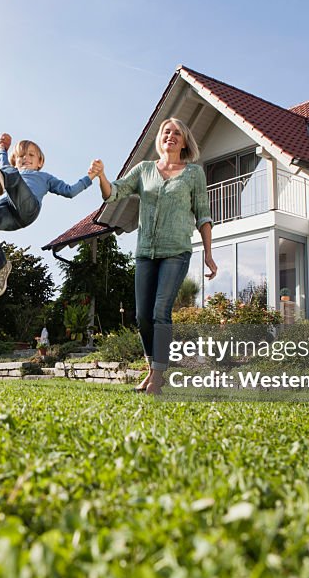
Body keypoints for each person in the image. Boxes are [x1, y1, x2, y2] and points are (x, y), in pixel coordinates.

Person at [93, 117, 217, 395]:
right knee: (142, 316)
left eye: (176, 133)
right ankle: (152, 370)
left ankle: (158, 378)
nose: (170, 136)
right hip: (146, 252)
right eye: (166, 132)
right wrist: (101, 176)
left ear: (184, 142)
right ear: (159, 139)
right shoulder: (144, 170)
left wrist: (209, 254)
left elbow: (203, 215)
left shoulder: (193, 173)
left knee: (161, 311)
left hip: (176, 252)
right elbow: (113, 193)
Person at [0, 138, 100, 296]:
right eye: (20, 156)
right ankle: (0, 267)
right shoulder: (13, 169)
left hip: (29, 209)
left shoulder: (45, 178)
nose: (25, 158)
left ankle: (2, 179)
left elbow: (69, 191)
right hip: (7, 212)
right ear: (16, 161)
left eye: (31, 155)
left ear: (39, 162)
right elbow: (3, 162)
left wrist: (89, 177)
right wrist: (2, 148)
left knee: (9, 172)